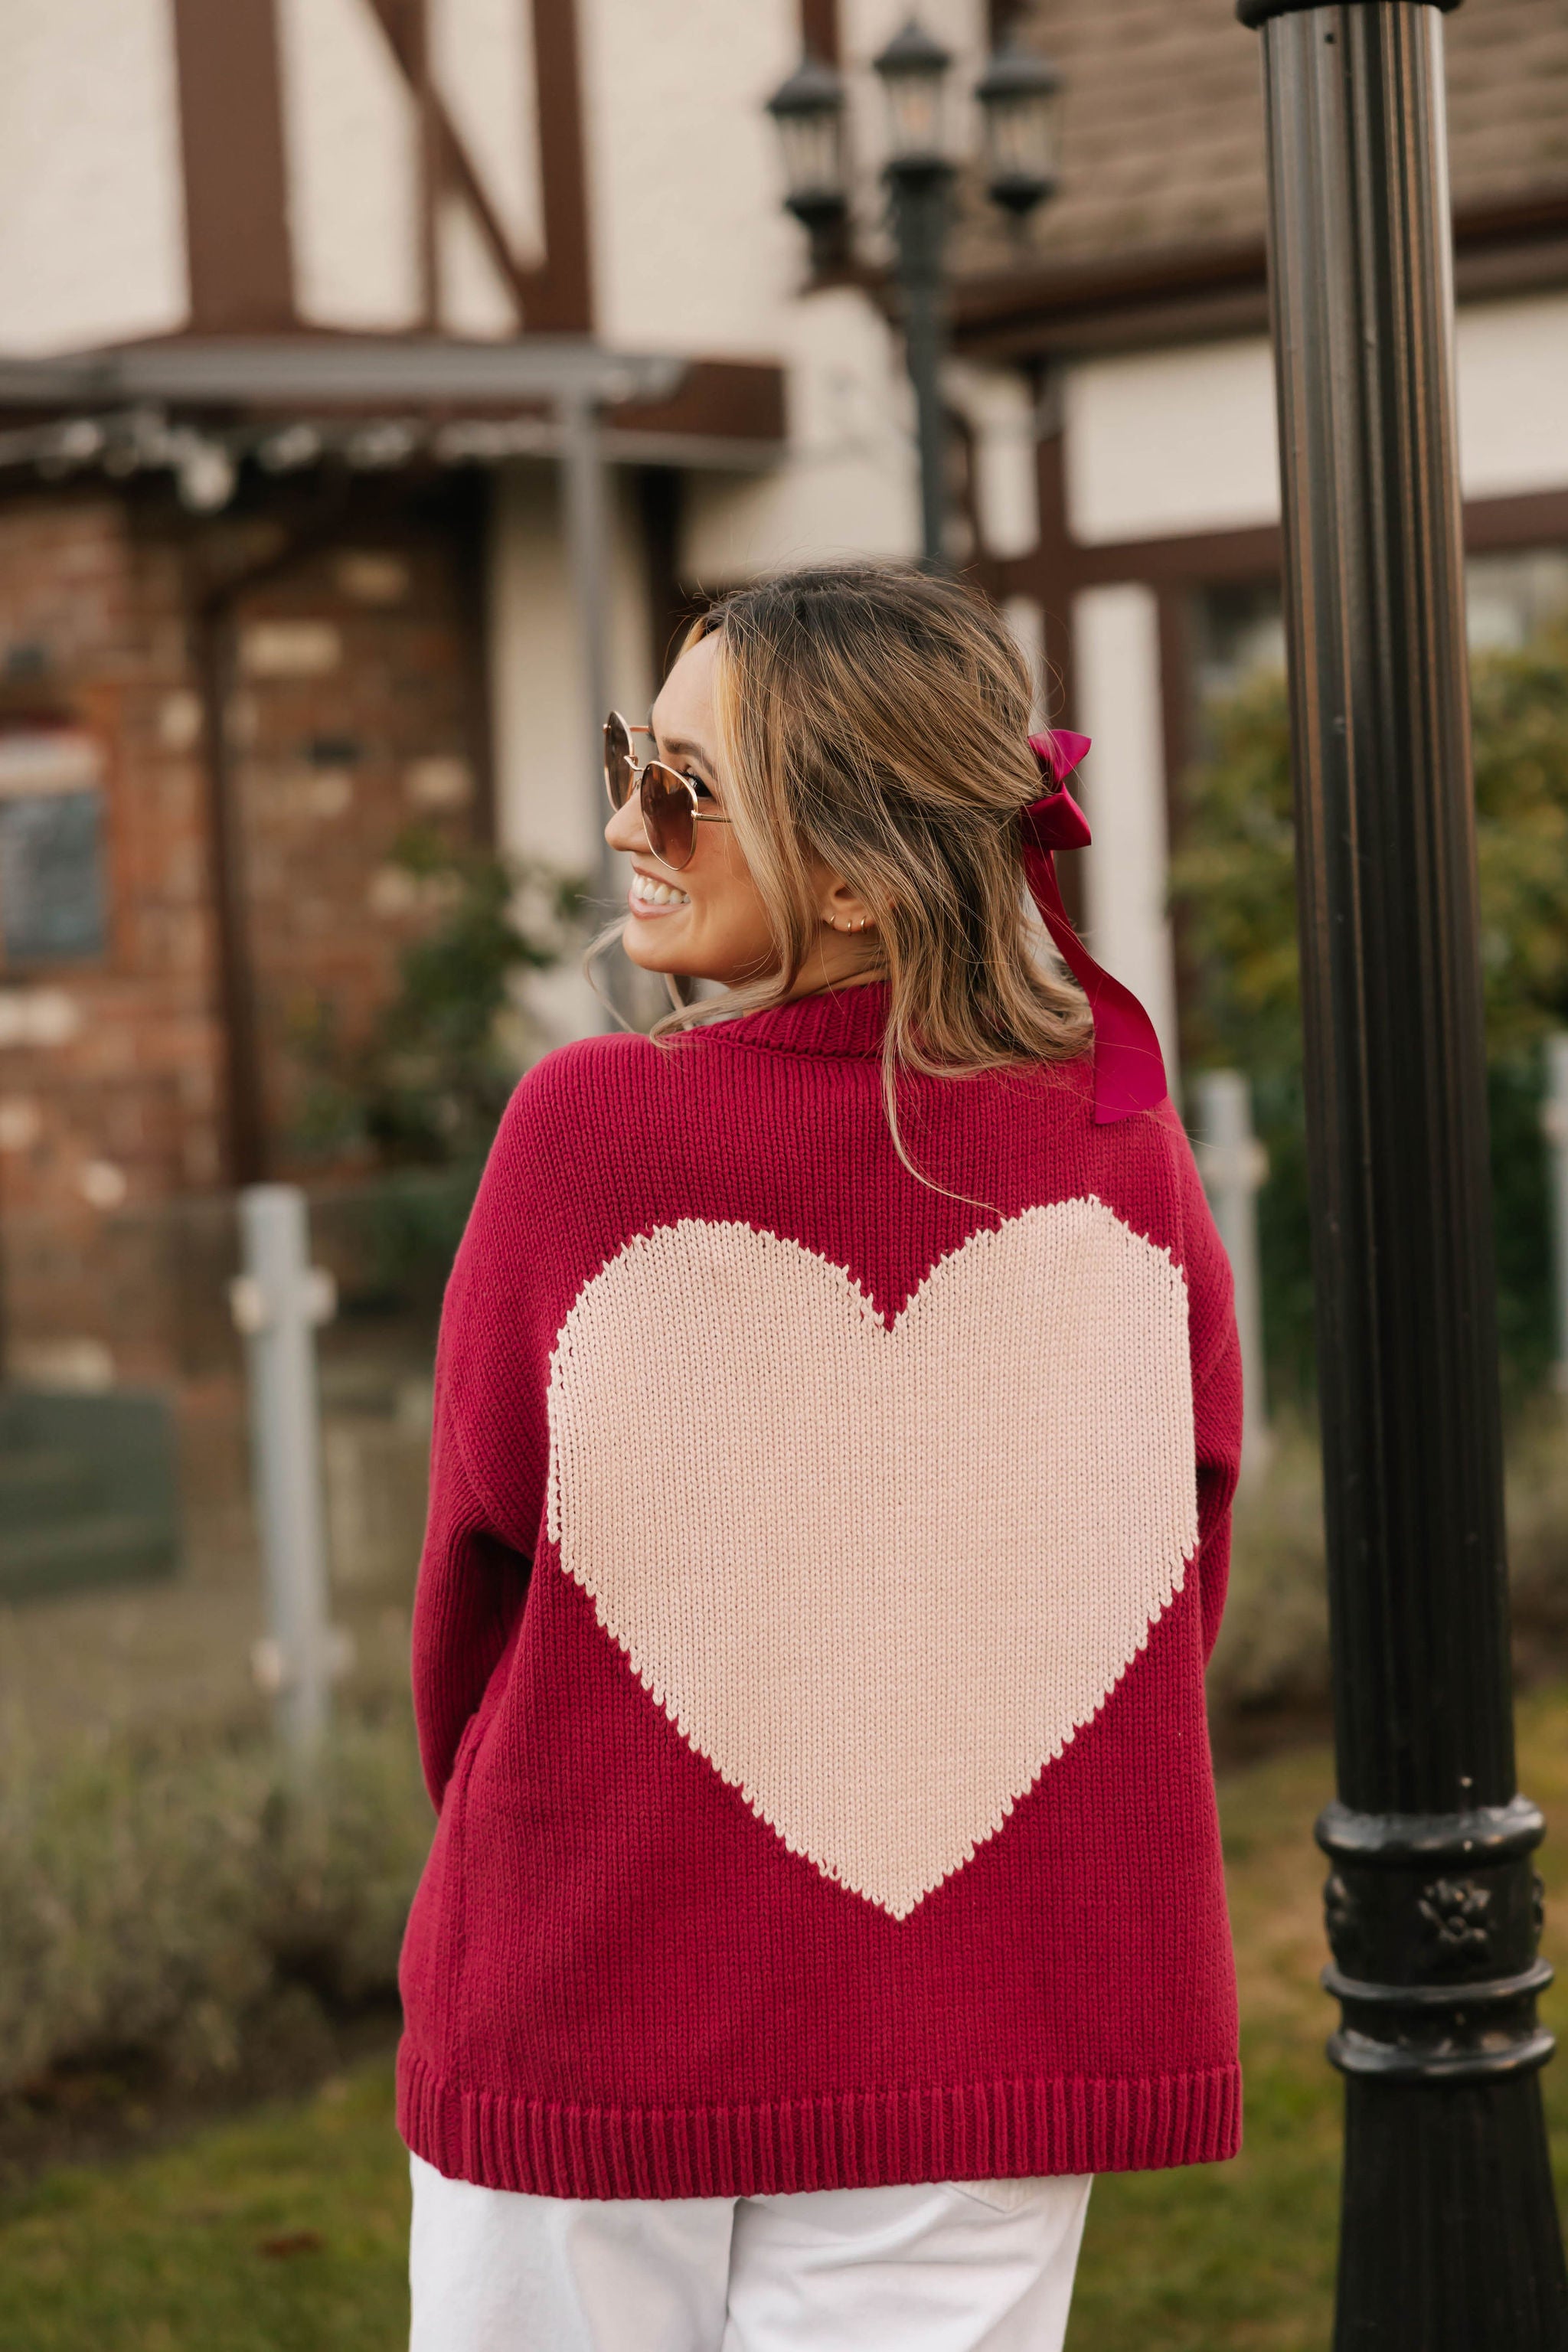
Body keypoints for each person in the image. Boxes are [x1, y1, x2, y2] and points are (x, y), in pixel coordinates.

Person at [400, 563, 1243, 2352]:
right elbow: (1182, 1549)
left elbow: (473, 1568)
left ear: (858, 878)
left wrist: (543, 1832)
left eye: (689, 788)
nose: (630, 816)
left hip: (588, 1978)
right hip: (991, 2010)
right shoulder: (1123, 1142)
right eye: (637, 752)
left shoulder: (590, 1132)